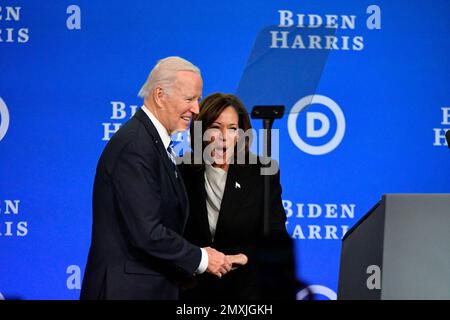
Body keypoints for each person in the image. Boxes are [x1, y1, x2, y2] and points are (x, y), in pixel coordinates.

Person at [80, 57, 236, 300]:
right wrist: (203, 258)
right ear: (160, 94)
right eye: (189, 99)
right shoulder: (135, 146)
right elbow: (148, 232)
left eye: (197, 99)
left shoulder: (153, 143)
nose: (196, 109)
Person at [179, 93, 297, 300]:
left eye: (232, 128)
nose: (224, 136)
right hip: (190, 290)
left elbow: (275, 233)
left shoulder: (262, 172)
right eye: (216, 127)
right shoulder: (180, 170)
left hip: (244, 290)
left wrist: (243, 257)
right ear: (201, 131)